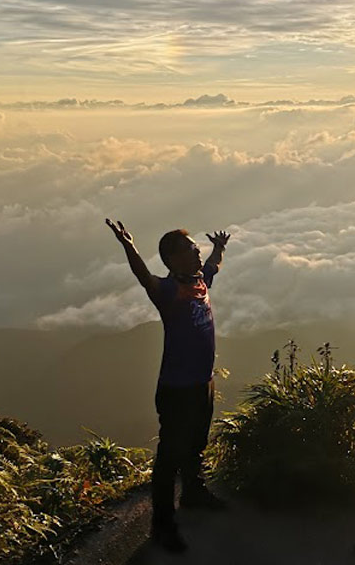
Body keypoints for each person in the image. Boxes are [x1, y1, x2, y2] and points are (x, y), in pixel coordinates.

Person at [106, 218, 230, 553]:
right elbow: (143, 277)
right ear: (172, 259)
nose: (197, 251)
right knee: (169, 457)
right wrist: (129, 245)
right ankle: (162, 525)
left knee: (196, 442)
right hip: (177, 389)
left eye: (195, 247)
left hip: (203, 381)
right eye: (190, 249)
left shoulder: (200, 280)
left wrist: (219, 246)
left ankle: (193, 492)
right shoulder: (168, 291)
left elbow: (212, 264)